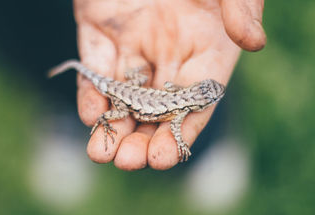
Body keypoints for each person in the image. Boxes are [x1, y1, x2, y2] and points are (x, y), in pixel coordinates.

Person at [73, 0, 266, 171]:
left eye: (213, 97)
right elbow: (174, 126)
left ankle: (207, 152)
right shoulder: (181, 110)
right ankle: (102, 120)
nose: (216, 95)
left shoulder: (181, 99)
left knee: (139, 82)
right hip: (129, 102)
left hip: (135, 91)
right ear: (200, 102)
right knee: (121, 113)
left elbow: (167, 87)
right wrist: (181, 143)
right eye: (213, 97)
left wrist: (173, 90)